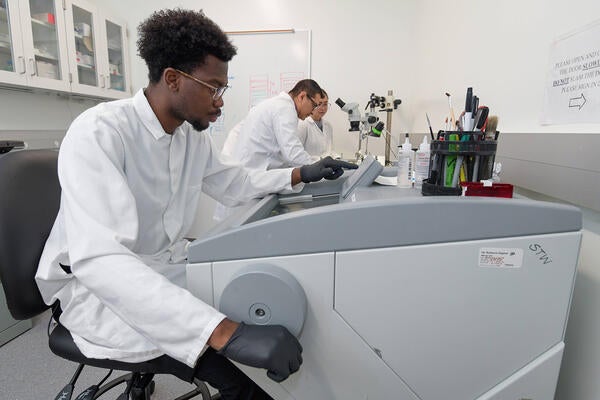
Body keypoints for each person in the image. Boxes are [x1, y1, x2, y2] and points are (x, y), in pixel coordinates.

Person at [35, 8, 356, 400]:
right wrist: (224, 333)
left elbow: (234, 182)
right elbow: (103, 261)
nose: (220, 101)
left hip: (161, 269)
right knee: (242, 375)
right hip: (97, 293)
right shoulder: (99, 132)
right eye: (214, 87)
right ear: (173, 79)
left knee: (252, 302)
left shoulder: (189, 137)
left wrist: (299, 175)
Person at [226, 79, 326, 171]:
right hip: (252, 174)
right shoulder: (285, 109)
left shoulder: (277, 105)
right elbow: (293, 154)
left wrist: (317, 162)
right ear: (302, 96)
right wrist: (320, 167)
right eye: (314, 105)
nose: (313, 111)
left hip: (248, 170)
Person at [295, 90, 335, 158]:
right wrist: (320, 160)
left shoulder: (328, 126)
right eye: (319, 104)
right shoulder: (303, 124)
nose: (322, 108)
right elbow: (297, 153)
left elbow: (329, 151)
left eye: (325, 104)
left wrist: (336, 158)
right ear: (312, 104)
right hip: (308, 166)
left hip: (325, 166)